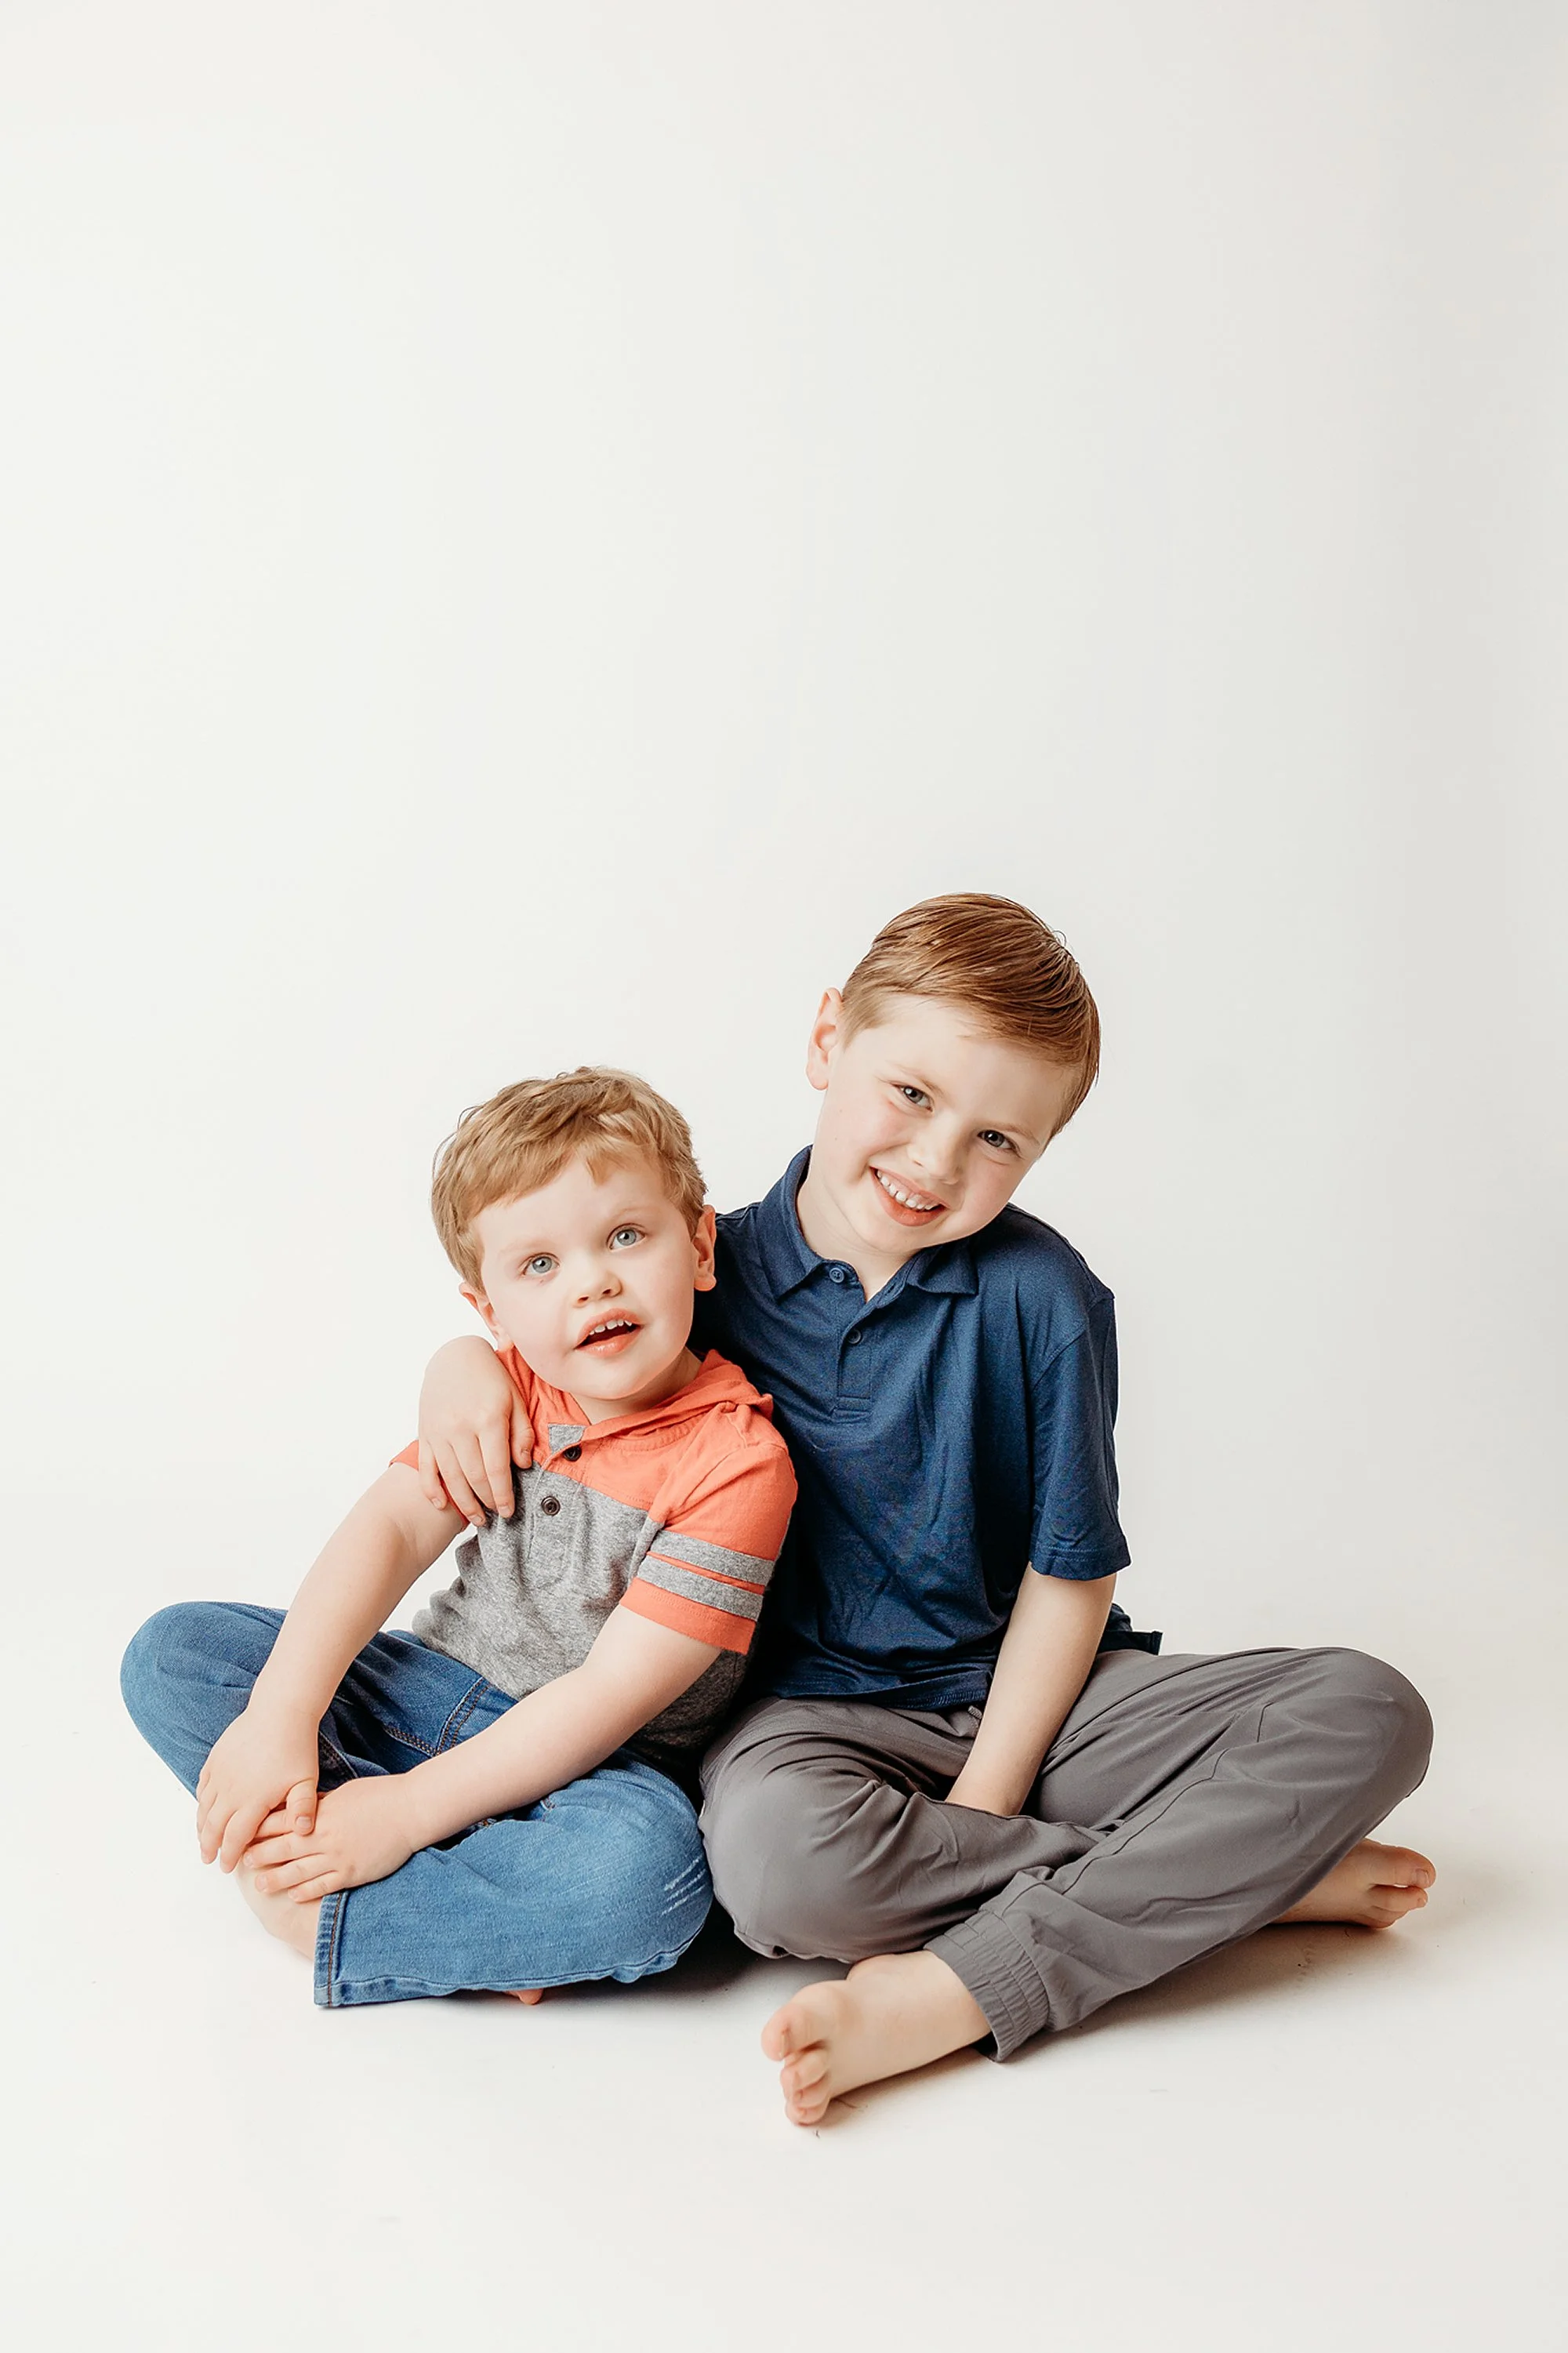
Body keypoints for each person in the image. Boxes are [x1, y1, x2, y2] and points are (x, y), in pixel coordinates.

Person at [417, 893, 1436, 2121]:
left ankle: (958, 1986)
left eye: (999, 1139)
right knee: (775, 1877)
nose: (937, 1160)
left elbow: (1070, 1579)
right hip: (806, 1724)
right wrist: (457, 1366)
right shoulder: (695, 1268)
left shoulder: (1045, 1301)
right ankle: (1245, 1879)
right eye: (911, 1094)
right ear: (828, 1040)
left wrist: (985, 1803)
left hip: (1034, 1704)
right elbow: (551, 1343)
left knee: (1372, 1711)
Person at [120, 1069, 797, 2009]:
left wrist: (403, 1812)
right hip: (421, 1695)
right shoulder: (503, 1389)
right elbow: (391, 1531)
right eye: (538, 1265)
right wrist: (282, 1716)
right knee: (174, 1653)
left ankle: (340, 1905)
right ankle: (471, 1903)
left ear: (698, 1247)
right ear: (488, 1309)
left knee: (655, 1880)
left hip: (593, 1769)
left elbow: (607, 1696)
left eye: (626, 1237)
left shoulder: (737, 1460)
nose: (593, 1278)